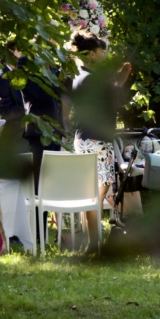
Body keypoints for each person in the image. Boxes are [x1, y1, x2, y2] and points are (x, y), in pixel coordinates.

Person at [69, 29, 132, 249]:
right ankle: (94, 243)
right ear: (93, 54)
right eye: (102, 53)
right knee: (96, 193)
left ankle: (91, 242)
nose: (105, 57)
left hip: (84, 138)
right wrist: (121, 79)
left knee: (91, 193)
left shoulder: (79, 76)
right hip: (96, 140)